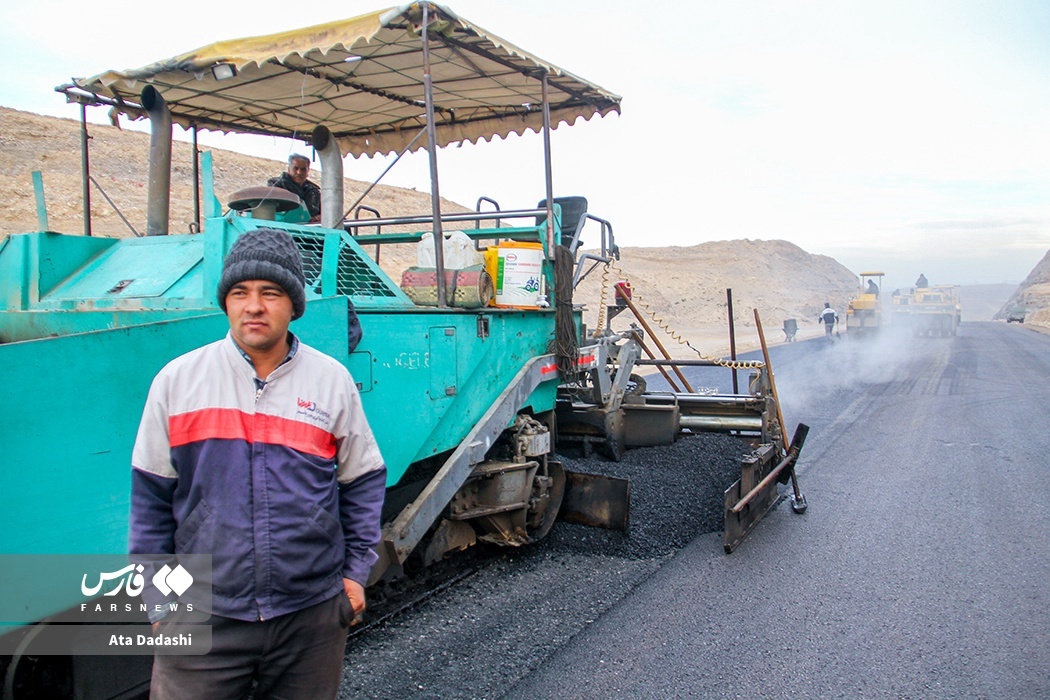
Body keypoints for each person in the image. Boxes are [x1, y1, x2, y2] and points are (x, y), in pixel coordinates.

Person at [130, 227, 386, 699]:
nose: (254, 306)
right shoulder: (178, 382)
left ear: (293, 305)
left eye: (270, 293)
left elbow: (364, 480)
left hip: (308, 617)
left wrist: (354, 573)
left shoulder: (331, 381)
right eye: (240, 293)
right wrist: (158, 597)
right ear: (225, 302)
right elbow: (149, 497)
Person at [268, 154, 322, 221]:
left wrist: (320, 217)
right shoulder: (276, 185)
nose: (299, 172)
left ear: (308, 171)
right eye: (295, 168)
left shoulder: (314, 191)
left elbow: (324, 212)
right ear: (289, 169)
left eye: (303, 169)